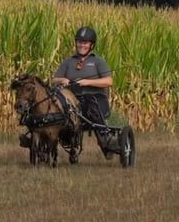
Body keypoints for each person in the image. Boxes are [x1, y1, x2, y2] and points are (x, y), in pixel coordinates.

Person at [19, 26, 114, 154]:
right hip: (68, 97)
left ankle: (105, 140)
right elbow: (54, 80)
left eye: (85, 43)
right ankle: (35, 133)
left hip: (92, 97)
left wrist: (88, 82)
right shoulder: (68, 61)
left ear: (91, 45)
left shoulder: (98, 61)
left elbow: (109, 81)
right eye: (79, 42)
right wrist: (62, 80)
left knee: (92, 108)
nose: (81, 45)